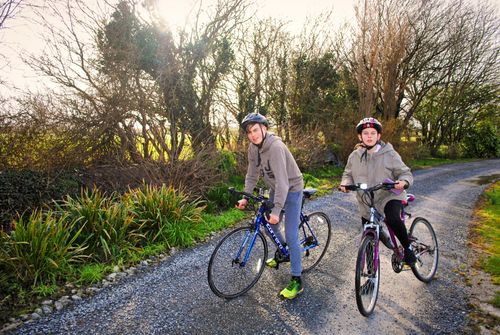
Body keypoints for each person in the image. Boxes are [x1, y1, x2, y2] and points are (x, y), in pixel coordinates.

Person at [236, 112, 305, 299]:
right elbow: (252, 174)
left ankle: (297, 280)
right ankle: (285, 252)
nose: (253, 134)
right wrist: (246, 197)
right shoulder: (253, 148)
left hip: (292, 188)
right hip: (277, 187)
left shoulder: (275, 147)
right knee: (269, 224)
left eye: (255, 130)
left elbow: (283, 182)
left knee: (291, 234)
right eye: (249, 132)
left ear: (264, 128)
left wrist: (276, 210)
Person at [340, 117, 417, 265]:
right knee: (368, 234)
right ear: (360, 136)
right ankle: (370, 273)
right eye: (366, 133)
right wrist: (345, 184)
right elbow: (347, 174)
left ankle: (408, 248)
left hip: (389, 196)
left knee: (393, 218)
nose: (369, 136)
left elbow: (405, 173)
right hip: (367, 200)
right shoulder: (354, 156)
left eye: (373, 133)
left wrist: (403, 182)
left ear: (379, 136)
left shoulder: (390, 154)